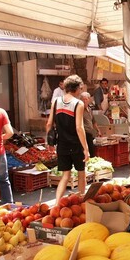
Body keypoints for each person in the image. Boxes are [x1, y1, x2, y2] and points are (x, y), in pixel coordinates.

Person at [46, 74, 90, 203]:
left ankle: (57, 203)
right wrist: (85, 148)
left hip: (62, 144)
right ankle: (82, 201)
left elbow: (49, 123)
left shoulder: (56, 101)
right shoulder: (78, 104)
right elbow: (79, 128)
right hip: (76, 144)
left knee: (65, 175)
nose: (81, 91)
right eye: (80, 88)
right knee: (81, 173)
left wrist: (49, 141)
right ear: (76, 88)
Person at [80, 91, 102, 158]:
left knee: (91, 151)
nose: (84, 101)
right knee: (85, 151)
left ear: (89, 100)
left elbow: (93, 121)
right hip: (83, 133)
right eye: (83, 99)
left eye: (86, 99)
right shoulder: (80, 110)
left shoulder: (89, 109)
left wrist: (98, 130)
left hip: (90, 133)